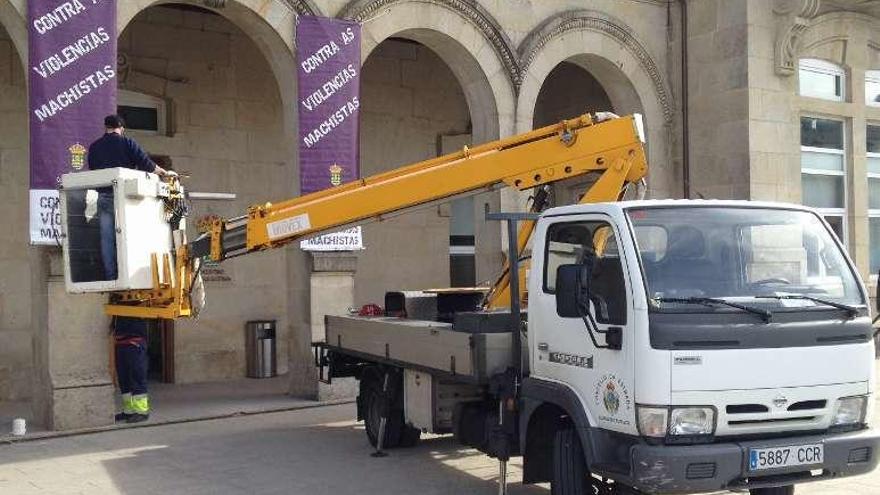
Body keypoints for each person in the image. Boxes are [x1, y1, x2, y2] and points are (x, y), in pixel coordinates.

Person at [87, 114, 174, 280]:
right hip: (125, 198)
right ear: (122, 128)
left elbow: (93, 170)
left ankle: (111, 275)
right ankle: (129, 274)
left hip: (104, 196)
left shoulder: (95, 147)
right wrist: (164, 172)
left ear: (106, 127)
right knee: (129, 234)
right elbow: (146, 164)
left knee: (107, 237)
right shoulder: (127, 143)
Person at [112, 316, 151, 423]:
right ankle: (128, 411)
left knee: (137, 376)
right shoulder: (118, 302)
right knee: (123, 379)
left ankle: (141, 412)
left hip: (135, 341)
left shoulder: (141, 302)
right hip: (121, 342)